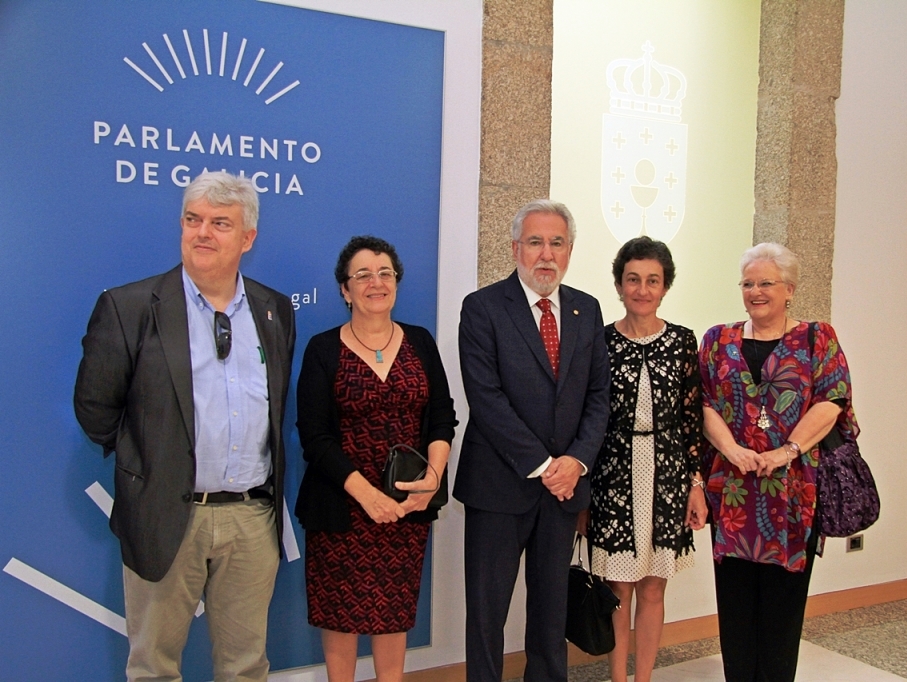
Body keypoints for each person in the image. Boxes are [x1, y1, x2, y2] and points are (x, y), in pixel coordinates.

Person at [73, 171, 296, 681]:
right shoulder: (130, 307)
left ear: (248, 239)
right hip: (166, 514)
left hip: (250, 519)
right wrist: (151, 463)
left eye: (220, 223)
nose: (203, 233)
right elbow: (95, 409)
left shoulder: (273, 309)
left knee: (245, 666)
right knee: (154, 666)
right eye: (193, 220)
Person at [455, 199, 611, 682]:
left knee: (550, 615)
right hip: (499, 489)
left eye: (557, 243)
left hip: (563, 493)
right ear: (515, 248)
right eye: (536, 242)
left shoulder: (587, 310)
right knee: (487, 616)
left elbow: (598, 397)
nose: (547, 254)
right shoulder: (482, 307)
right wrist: (547, 466)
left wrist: (577, 463)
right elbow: (486, 399)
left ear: (570, 250)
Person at [294, 235, 457, 682]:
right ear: (345, 290)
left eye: (385, 273)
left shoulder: (420, 342)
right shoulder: (323, 349)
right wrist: (367, 497)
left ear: (397, 284)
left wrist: (432, 478)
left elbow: (443, 418)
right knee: (341, 619)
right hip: (342, 508)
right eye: (362, 274)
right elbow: (315, 437)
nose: (376, 282)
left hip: (405, 507)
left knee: (393, 615)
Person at [698, 243, 859, 682]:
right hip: (731, 495)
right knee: (734, 611)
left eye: (766, 282)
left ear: (789, 289)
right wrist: (731, 450)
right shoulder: (717, 339)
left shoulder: (816, 337)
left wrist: (786, 450)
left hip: (793, 494)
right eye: (748, 283)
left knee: (782, 614)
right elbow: (703, 403)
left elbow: (832, 402)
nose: (755, 291)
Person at [582, 236, 707, 682]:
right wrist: (583, 498)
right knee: (618, 588)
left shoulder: (682, 341)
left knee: (653, 588)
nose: (642, 289)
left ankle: (644, 678)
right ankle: (618, 678)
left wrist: (696, 485)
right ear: (619, 284)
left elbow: (691, 420)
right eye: (633, 279)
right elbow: (587, 417)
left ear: (665, 286)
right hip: (612, 474)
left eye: (652, 280)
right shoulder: (600, 342)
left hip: (668, 475)